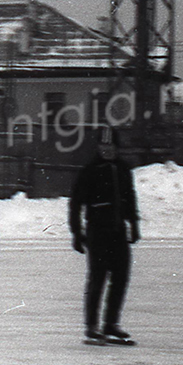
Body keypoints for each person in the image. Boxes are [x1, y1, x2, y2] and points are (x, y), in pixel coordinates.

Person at [69, 140, 140, 343]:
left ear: (117, 147)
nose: (107, 150)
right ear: (98, 148)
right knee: (97, 279)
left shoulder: (122, 169)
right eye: (103, 146)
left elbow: (130, 198)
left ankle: (111, 324)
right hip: (97, 232)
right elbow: (76, 203)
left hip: (118, 232)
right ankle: (92, 326)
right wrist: (76, 233)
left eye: (111, 146)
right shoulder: (90, 170)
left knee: (120, 278)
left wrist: (134, 224)